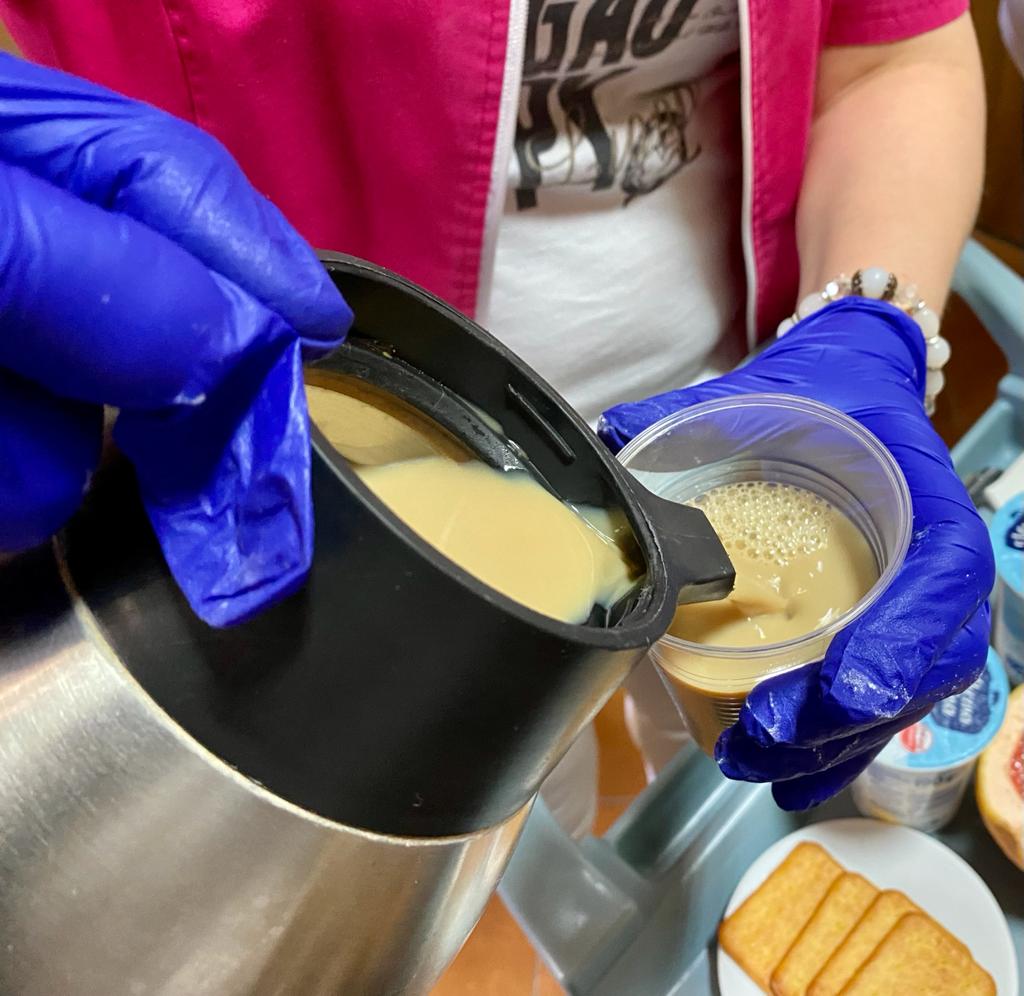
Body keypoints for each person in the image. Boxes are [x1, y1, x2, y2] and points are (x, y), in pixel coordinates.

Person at [0, 1, 993, 828]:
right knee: (471, 798)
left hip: (724, 412)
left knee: (688, 769)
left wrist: (870, 316)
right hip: (329, 478)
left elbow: (890, 57)